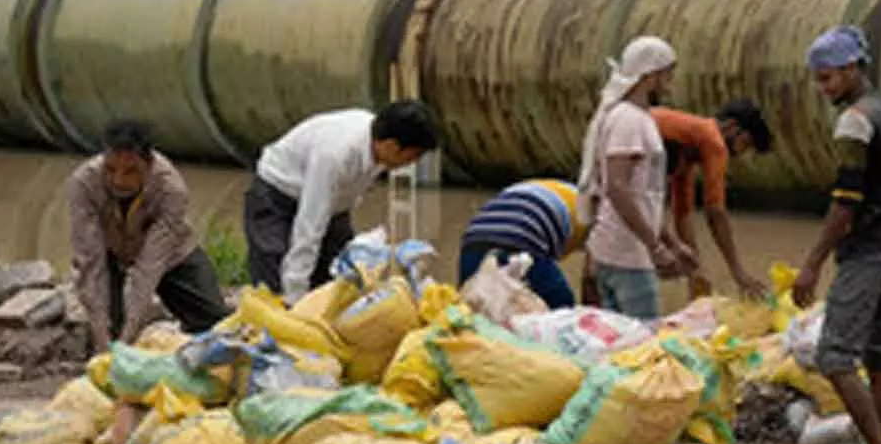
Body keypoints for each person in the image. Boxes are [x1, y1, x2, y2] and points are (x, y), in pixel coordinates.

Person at [790, 25, 881, 444]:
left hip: (866, 251)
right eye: (818, 80)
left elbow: (845, 201)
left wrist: (812, 262)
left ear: (850, 68)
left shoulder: (856, 122)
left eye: (828, 78)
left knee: (835, 356)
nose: (823, 89)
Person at [243, 100, 439, 303]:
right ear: (391, 146)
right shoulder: (335, 154)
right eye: (413, 156)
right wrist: (294, 296)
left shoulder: (378, 145)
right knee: (274, 284)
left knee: (341, 280)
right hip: (278, 194)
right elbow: (309, 227)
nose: (412, 163)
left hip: (334, 205)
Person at [68, 120, 230, 353]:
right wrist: (103, 337)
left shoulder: (171, 189)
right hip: (109, 250)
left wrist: (129, 336)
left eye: (131, 171)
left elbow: (148, 269)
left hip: (171, 253)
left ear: (149, 165)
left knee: (214, 321)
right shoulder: (83, 183)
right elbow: (90, 261)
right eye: (111, 170)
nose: (119, 181)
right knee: (106, 325)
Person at [577, 35, 698, 320]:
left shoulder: (637, 118)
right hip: (626, 255)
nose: (670, 82)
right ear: (651, 75)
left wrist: (673, 244)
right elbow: (618, 188)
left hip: (623, 251)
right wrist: (655, 247)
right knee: (644, 344)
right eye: (668, 74)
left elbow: (645, 195)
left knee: (622, 344)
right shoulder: (628, 120)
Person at [654, 100, 774, 300]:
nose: (740, 154)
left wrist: (695, 269)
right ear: (733, 128)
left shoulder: (687, 152)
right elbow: (715, 212)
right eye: (745, 144)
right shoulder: (713, 140)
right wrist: (738, 272)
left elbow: (682, 213)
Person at [457, 179, 588, 308]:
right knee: (561, 303)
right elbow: (590, 271)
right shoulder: (591, 213)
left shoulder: (555, 189)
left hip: (475, 236)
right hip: (521, 238)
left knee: (469, 305)